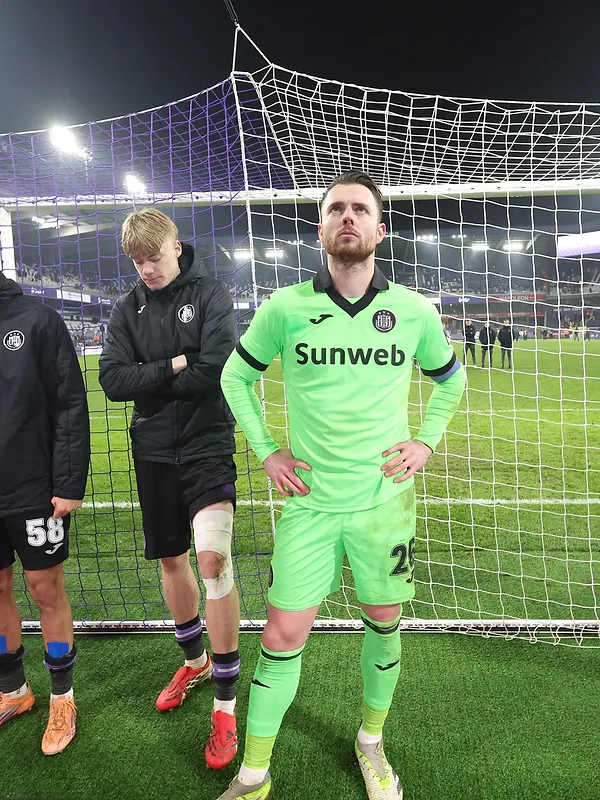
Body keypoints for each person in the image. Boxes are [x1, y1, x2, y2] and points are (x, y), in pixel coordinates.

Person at [216, 171, 465, 800]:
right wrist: (268, 451)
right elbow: (233, 379)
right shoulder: (285, 308)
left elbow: (451, 381)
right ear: (321, 228)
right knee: (281, 636)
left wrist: (426, 441)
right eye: (336, 210)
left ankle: (371, 742)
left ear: (380, 230)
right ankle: (254, 773)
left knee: (383, 621)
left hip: (384, 505)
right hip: (310, 506)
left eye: (360, 209)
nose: (347, 217)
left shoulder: (412, 311)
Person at [99, 208, 241, 769]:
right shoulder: (125, 309)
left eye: (153, 258)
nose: (146, 270)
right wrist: (174, 364)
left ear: (176, 247)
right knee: (171, 561)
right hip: (151, 452)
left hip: (207, 446)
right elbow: (112, 380)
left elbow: (217, 368)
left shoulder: (211, 294)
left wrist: (153, 374)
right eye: (136, 262)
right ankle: (195, 660)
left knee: (214, 561)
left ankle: (226, 708)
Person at [0, 271, 90, 754]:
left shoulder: (38, 320)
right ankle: (13, 690)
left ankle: (62, 698)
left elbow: (70, 404)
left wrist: (69, 482)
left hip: (33, 487)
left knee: (44, 589)